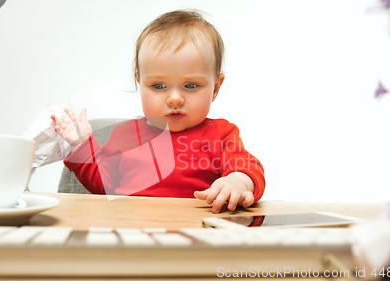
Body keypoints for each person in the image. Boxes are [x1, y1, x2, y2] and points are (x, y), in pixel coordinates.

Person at [51, 10, 265, 214]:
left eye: (190, 86)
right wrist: (81, 145)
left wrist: (237, 181)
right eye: (158, 86)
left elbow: (247, 167)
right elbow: (103, 185)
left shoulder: (221, 134)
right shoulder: (124, 135)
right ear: (139, 83)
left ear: (215, 88)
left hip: (196, 239)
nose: (174, 98)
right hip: (130, 234)